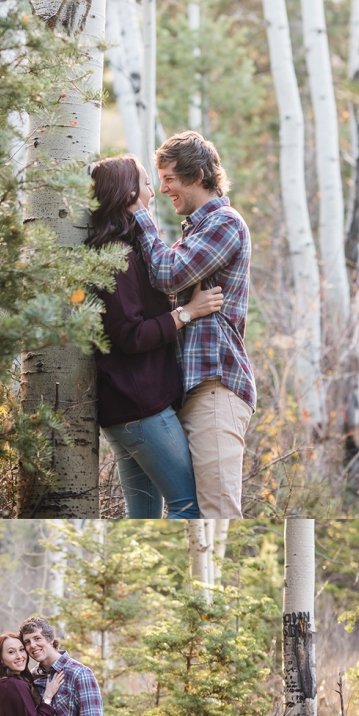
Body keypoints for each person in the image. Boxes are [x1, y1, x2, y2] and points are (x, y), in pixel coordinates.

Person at [89, 155, 226, 519]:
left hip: (130, 411)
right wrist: (188, 312)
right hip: (141, 410)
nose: (155, 192)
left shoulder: (127, 251)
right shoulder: (116, 258)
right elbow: (131, 336)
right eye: (148, 183)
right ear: (130, 194)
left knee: (145, 517)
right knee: (190, 506)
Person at [132, 130, 256, 518]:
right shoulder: (197, 230)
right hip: (189, 392)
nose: (164, 188)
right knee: (188, 511)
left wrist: (140, 215)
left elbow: (169, 274)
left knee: (218, 513)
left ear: (198, 175)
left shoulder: (225, 223)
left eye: (169, 178)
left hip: (215, 389)